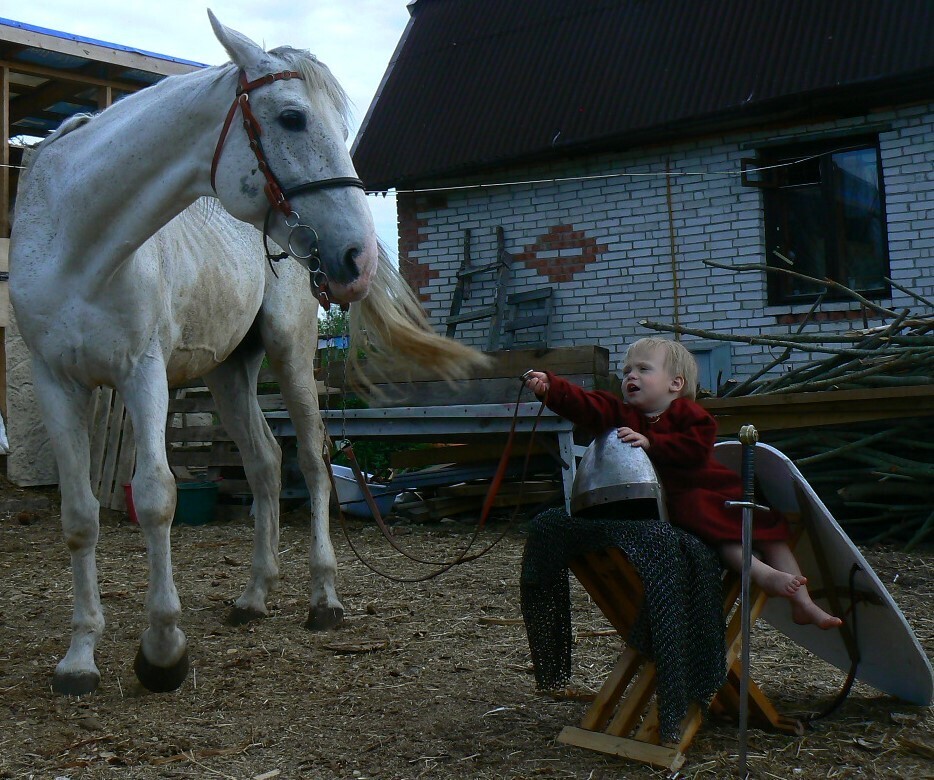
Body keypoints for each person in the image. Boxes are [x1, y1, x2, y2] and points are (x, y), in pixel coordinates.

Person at [524, 337, 842, 630]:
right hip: (684, 504)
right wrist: (552, 387)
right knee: (719, 530)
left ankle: (803, 603)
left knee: (770, 531)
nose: (630, 376)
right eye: (626, 371)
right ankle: (761, 574)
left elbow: (694, 449)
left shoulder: (691, 416)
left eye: (643, 369)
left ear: (675, 384)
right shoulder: (622, 416)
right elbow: (588, 404)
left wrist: (652, 443)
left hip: (716, 492)